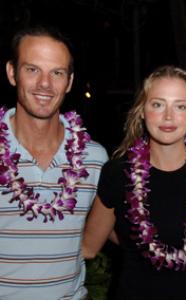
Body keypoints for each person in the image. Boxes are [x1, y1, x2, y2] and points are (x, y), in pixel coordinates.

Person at [82, 65, 186, 300]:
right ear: (142, 110)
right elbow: (89, 246)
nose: (168, 117)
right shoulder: (117, 172)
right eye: (158, 104)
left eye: (180, 106)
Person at [0, 25, 108, 299]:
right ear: (12, 73)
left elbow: (104, 236)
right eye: (32, 69)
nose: (45, 84)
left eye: (57, 73)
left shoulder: (94, 159)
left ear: (69, 82)